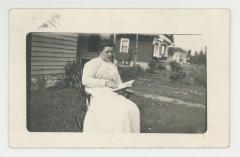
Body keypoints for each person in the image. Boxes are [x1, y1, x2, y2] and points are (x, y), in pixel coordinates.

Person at [82, 40, 140, 133]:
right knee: (120, 111)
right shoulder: (92, 64)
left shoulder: (113, 66)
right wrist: (105, 82)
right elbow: (85, 80)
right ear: (100, 52)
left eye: (112, 52)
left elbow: (118, 83)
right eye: (107, 52)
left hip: (111, 94)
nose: (110, 54)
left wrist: (125, 87)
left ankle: (128, 136)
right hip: (97, 93)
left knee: (132, 107)